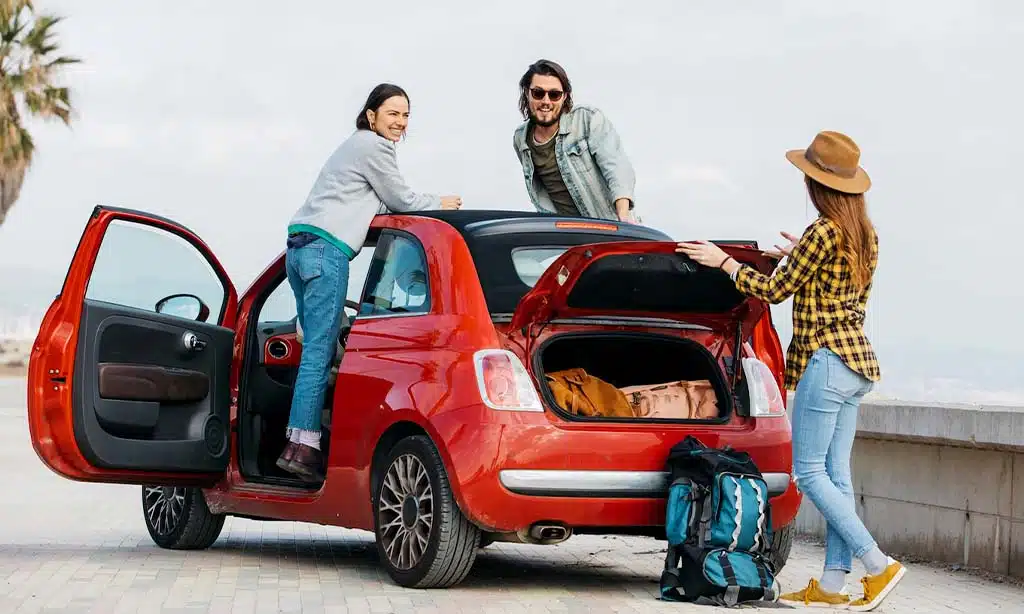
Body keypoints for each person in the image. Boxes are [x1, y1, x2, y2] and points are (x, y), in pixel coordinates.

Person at [676, 131, 904, 611]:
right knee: (837, 475)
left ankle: (878, 564)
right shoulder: (864, 234)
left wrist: (724, 263)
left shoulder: (823, 232)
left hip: (828, 360)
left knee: (810, 472)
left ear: (817, 185)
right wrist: (796, 257)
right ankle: (833, 585)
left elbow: (774, 291)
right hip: (857, 362)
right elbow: (830, 281)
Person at [277, 83, 461, 482]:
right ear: (371, 115)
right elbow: (401, 200)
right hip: (326, 252)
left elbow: (372, 202)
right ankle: (304, 448)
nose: (400, 122)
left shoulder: (352, 148)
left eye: (406, 115)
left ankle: (295, 440)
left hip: (298, 249)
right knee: (320, 353)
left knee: (313, 346)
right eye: (393, 113)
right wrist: (440, 204)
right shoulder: (374, 146)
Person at [512, 59, 638, 223]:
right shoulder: (521, 139)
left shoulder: (587, 119)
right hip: (564, 231)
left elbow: (617, 169)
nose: (546, 101)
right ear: (526, 93)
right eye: (538, 93)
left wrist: (623, 217)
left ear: (564, 96)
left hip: (607, 226)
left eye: (554, 95)